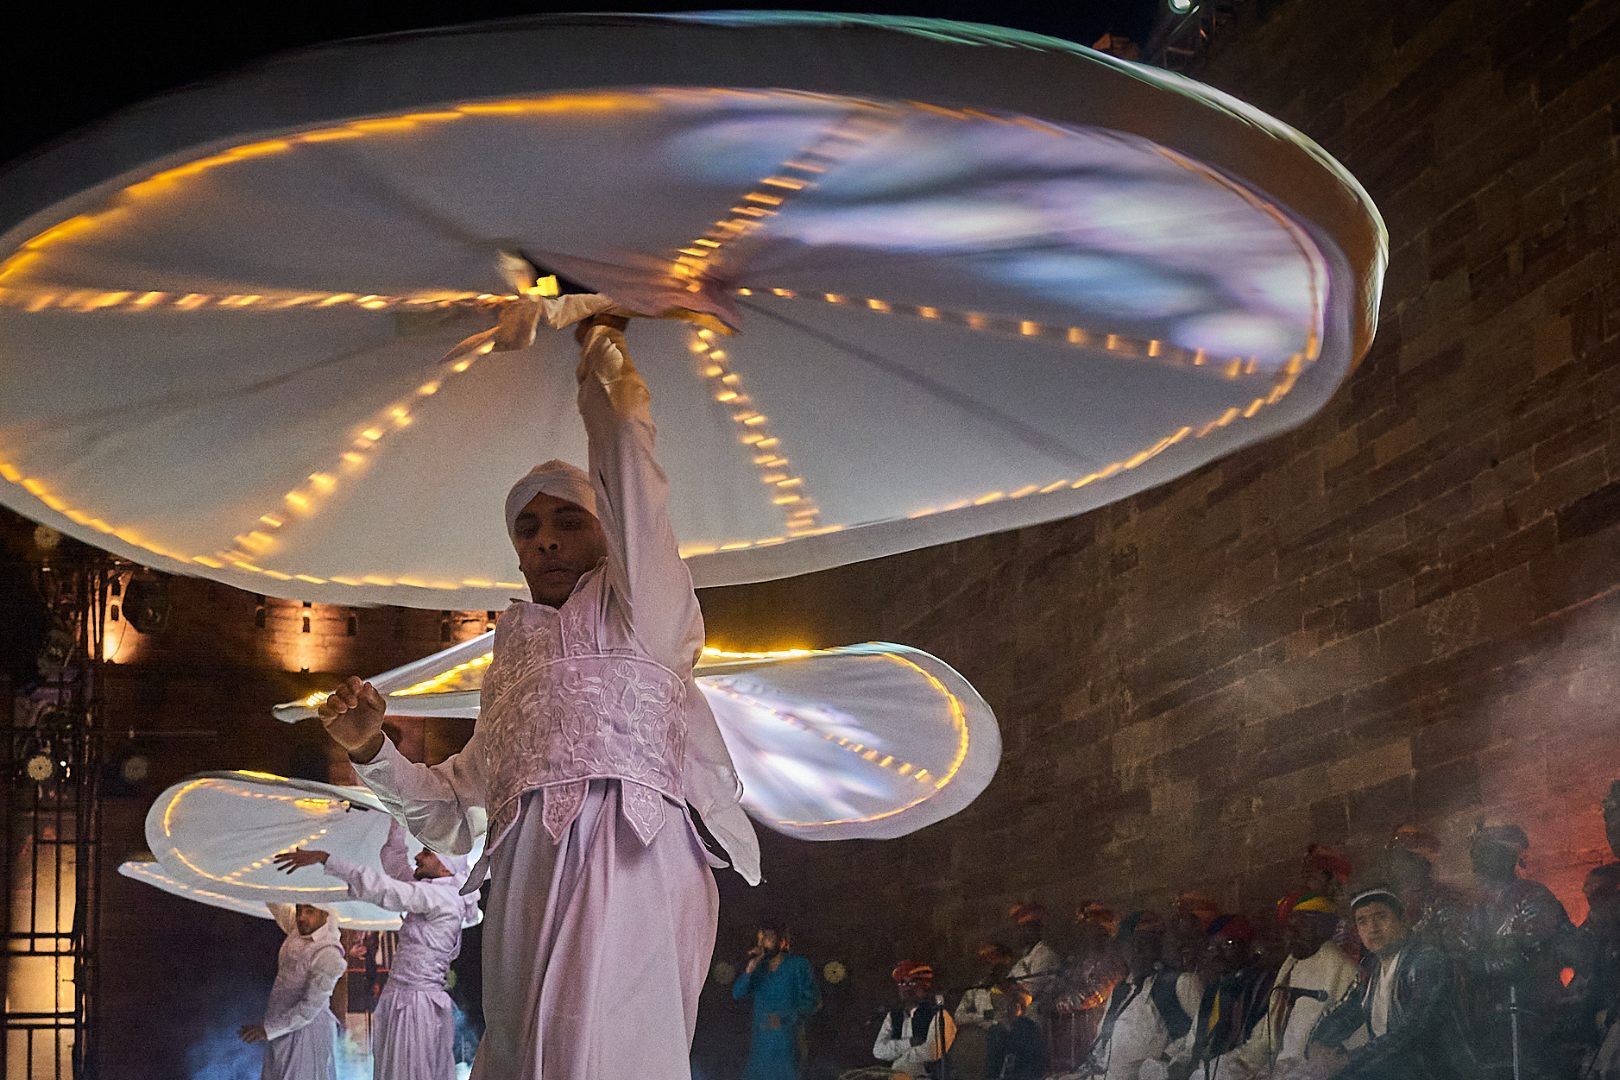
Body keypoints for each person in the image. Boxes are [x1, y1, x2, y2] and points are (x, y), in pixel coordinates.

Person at [316, 300, 761, 1080]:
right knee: (530, 1055)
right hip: (526, 873)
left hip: (635, 853)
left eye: (568, 520)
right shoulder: (510, 666)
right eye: (528, 527)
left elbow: (632, 481)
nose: (546, 537)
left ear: (603, 531)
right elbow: (451, 817)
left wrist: (602, 349)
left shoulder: (646, 617)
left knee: (615, 1050)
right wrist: (370, 751)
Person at [273, 819, 478, 1080]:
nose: (418, 856)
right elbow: (395, 863)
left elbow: (387, 889)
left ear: (445, 866)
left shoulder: (442, 899)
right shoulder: (434, 891)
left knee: (407, 1072)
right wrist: (397, 818)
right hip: (405, 1000)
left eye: (426, 852)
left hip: (414, 1006)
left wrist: (326, 859)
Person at [1307, 886, 1470, 1079]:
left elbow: (1412, 1031)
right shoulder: (1372, 969)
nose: (1373, 928)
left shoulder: (1426, 961)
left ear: (1403, 921)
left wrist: (1348, 1060)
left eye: (1381, 917)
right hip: (1392, 1071)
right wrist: (1319, 1043)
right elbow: (1345, 1012)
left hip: (1431, 1072)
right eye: (1363, 921)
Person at [1454, 822, 1575, 1078]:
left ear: (1508, 856)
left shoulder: (1533, 896)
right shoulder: (1472, 904)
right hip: (1486, 1021)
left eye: (1485, 849)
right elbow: (1461, 952)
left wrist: (1480, 962)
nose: (1476, 856)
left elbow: (1523, 959)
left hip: (1534, 1017)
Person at [1207, 894, 1357, 1077]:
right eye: (1289, 927)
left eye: (1300, 927)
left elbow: (1331, 1046)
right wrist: (1248, 1064)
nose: (1290, 934)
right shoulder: (1292, 963)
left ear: (1323, 928)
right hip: (1273, 1064)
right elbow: (1267, 1034)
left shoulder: (1340, 967)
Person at [1148, 914, 1273, 1080]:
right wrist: (1176, 1062)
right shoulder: (1215, 989)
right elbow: (1194, 1040)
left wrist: (1205, 1072)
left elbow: (1258, 1050)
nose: (1217, 953)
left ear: (1249, 948)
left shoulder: (1263, 987)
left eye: (1228, 944)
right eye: (1212, 946)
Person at [239, 903, 346, 1080]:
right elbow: (276, 900)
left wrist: (269, 1030)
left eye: (309, 911)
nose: (301, 916)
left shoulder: (329, 955)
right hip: (282, 1024)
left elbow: (309, 1009)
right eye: (299, 909)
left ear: (324, 914)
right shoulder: (299, 927)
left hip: (308, 1030)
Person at [1089, 912, 1201, 1080]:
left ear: (1158, 946)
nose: (1137, 951)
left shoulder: (1179, 983)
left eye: (1143, 943)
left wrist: (1169, 1058)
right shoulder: (1120, 991)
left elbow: (1205, 1031)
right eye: (1130, 945)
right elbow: (1102, 1041)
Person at [732, 922, 819, 1080]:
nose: (762, 943)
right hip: (760, 1049)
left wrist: (785, 1017)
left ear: (783, 942)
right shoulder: (758, 968)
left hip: (788, 1046)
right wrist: (749, 970)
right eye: (760, 938)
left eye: (768, 938)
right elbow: (737, 994)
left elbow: (814, 1002)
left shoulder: (798, 965)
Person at [1382, 825, 1468, 951]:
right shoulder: (1390, 899)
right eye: (1394, 856)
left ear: (1422, 862)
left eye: (1404, 857)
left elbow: (1457, 950)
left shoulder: (1445, 898)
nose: (1396, 864)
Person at [874, 961, 955, 1078]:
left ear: (925, 986)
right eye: (902, 983)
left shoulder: (939, 1014)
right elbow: (878, 1050)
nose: (907, 988)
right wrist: (909, 1043)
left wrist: (900, 1058)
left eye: (912, 982)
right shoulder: (893, 1016)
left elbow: (933, 1051)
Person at [954, 944, 1015, 1080]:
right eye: (989, 964)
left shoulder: (1012, 986)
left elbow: (1012, 1014)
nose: (992, 969)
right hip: (980, 1037)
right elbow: (958, 1016)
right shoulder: (976, 989)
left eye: (997, 965)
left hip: (1006, 1037)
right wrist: (983, 1017)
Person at [1006, 904, 1062, 1018]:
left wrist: (1011, 987)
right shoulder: (1024, 957)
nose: (1019, 933)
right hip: (1019, 1015)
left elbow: (1030, 990)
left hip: (1038, 1017)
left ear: (1035, 929)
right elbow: (1007, 984)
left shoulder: (1045, 954)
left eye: (1024, 928)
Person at [985, 988, 1047, 1080]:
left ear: (1021, 1009)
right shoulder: (997, 1028)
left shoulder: (1029, 1027)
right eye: (1009, 1005)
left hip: (1025, 1072)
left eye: (1014, 1005)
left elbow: (1032, 1057)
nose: (1009, 1009)